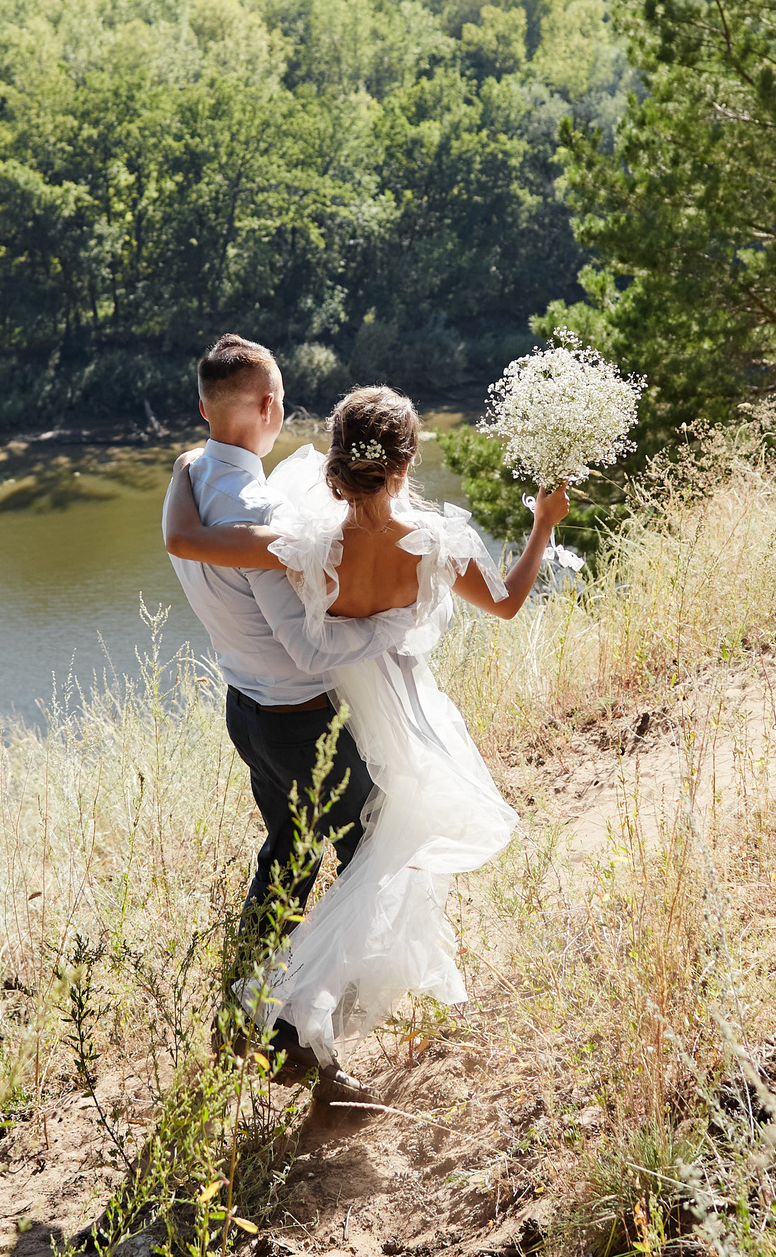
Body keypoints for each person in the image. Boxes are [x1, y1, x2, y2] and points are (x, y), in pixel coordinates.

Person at [165, 382, 570, 1076]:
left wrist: (183, 470)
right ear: (406, 463)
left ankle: (265, 1011)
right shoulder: (435, 544)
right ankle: (292, 1013)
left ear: (335, 461)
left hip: (324, 714)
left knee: (327, 853)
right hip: (396, 718)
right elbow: (506, 602)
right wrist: (543, 525)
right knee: (377, 866)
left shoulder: (303, 544)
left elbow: (186, 539)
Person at [160, 335, 429, 1100]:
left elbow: (183, 527)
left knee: (286, 856)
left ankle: (238, 1014)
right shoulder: (265, 516)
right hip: (303, 721)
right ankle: (302, 1037)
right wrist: (391, 626)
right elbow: (310, 647)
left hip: (245, 710)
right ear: (271, 405)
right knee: (372, 855)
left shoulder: (192, 477)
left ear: (204, 407)